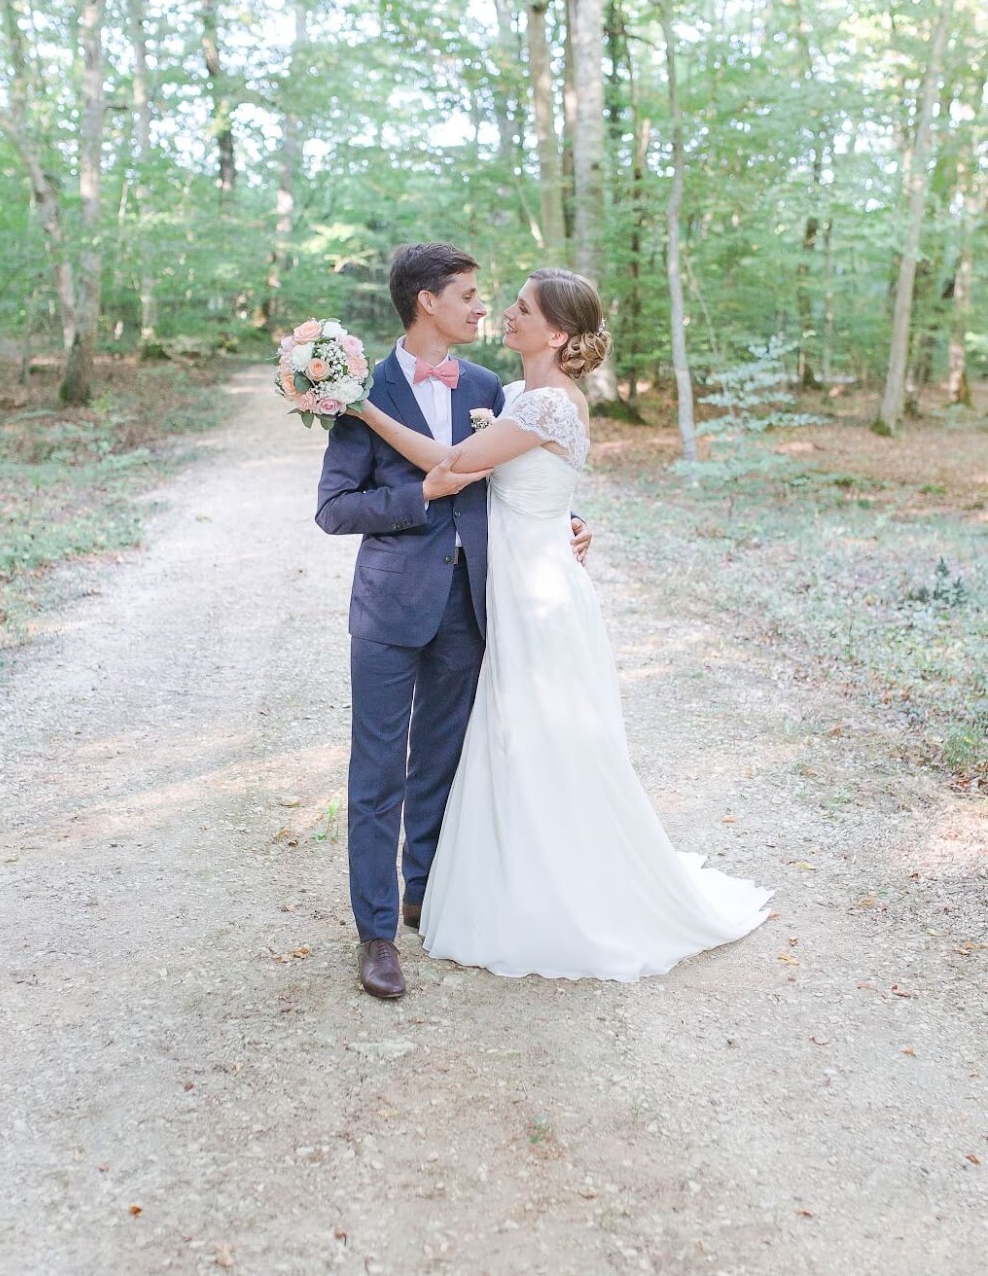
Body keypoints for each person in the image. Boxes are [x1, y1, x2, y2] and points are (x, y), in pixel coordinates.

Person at [353, 266, 772, 982]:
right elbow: (528, 488)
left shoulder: (547, 406)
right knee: (506, 735)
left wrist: (359, 408)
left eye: (519, 308)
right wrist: (572, 520)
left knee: (543, 737)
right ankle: (481, 883)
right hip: (510, 580)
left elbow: (455, 467)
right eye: (504, 304)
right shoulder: (513, 395)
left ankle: (557, 894)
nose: (503, 315)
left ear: (555, 332)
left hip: (534, 587)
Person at [315, 245, 591, 999]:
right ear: (426, 302)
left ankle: (423, 894)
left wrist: (565, 520)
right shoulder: (358, 392)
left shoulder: (487, 385)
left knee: (441, 762)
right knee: (376, 773)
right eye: (469, 295)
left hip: (474, 604)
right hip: (390, 606)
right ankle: (375, 936)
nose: (482, 307)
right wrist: (419, 498)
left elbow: (518, 472)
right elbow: (334, 509)